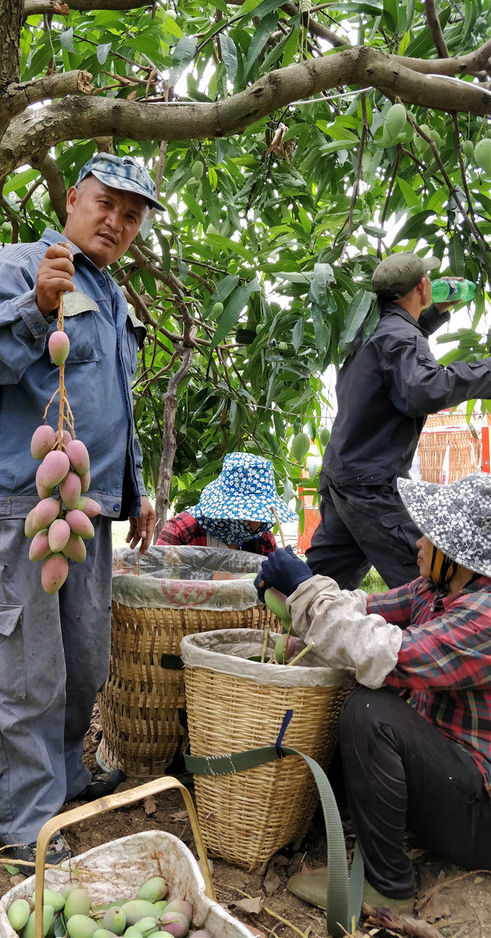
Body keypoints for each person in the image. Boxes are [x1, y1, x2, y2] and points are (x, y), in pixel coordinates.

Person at [0, 153, 164, 871]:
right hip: (22, 504)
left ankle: (64, 783)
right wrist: (35, 306)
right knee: (23, 668)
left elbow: (109, 406)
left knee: (82, 662)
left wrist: (133, 494)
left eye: (131, 216)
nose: (116, 222)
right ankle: (28, 823)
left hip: (85, 510)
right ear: (73, 199)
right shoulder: (23, 264)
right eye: (106, 203)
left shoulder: (110, 295)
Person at [257, 472, 491, 911]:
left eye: (429, 535)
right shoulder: (434, 589)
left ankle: (388, 887)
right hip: (449, 776)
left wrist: (308, 587)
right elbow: (362, 608)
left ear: (458, 555)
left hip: (480, 816)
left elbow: (381, 653)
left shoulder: (484, 618)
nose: (416, 543)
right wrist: (295, 599)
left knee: (369, 710)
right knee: (360, 702)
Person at [305, 251, 491, 590]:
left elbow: (395, 355)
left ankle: (286, 624)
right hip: (371, 485)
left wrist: (435, 314)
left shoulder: (370, 327)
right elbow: (423, 390)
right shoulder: (399, 337)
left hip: (342, 475)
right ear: (422, 285)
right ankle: (436, 641)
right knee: (431, 576)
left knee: (320, 583)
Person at [156, 452, 296, 554]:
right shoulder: (183, 531)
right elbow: (157, 582)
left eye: (261, 512)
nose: (257, 525)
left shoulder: (262, 538)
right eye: (248, 513)